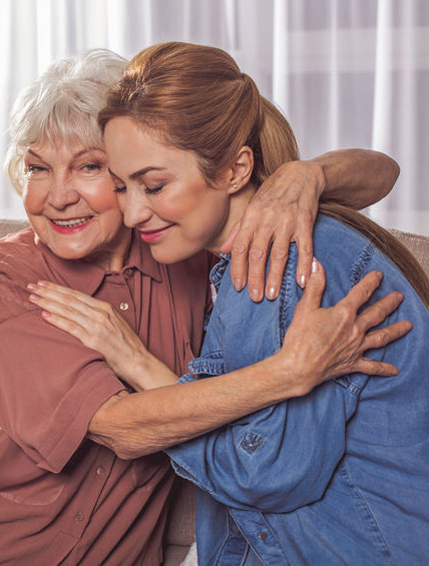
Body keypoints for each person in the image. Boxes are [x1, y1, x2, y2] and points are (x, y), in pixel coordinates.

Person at [0, 50, 406, 566]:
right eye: (38, 167)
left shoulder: (181, 243)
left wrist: (306, 177)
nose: (56, 195)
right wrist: (292, 371)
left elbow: (383, 172)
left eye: (88, 167)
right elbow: (119, 430)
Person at [31, 42, 428, 564]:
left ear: (236, 170)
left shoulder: (272, 266)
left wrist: (140, 367)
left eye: (154, 185)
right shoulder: (256, 249)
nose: (131, 214)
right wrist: (140, 361)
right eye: (123, 187)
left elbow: (261, 475)